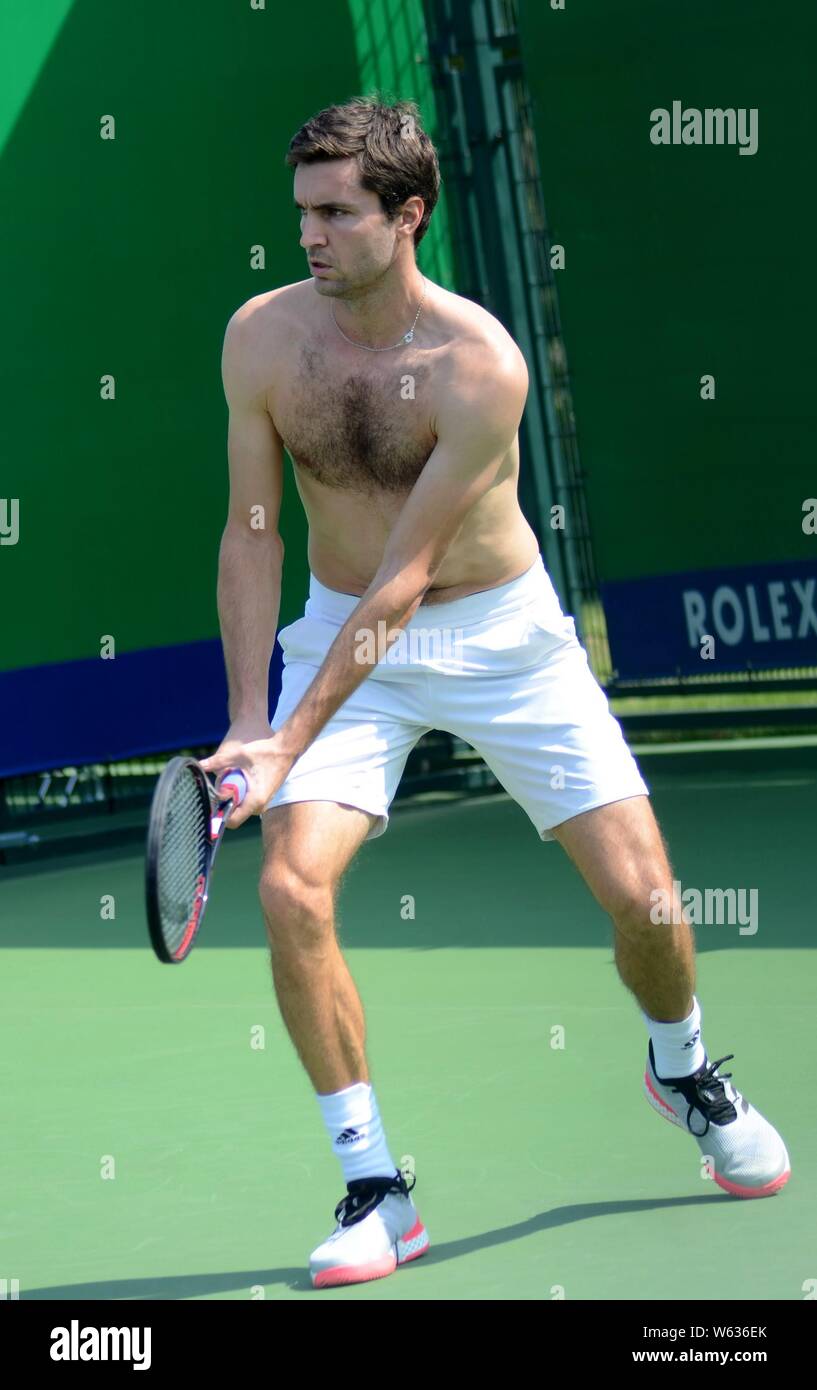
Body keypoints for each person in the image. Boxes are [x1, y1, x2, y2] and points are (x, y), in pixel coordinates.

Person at [200, 96, 790, 1289]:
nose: (306, 235)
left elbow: (407, 583)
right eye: (299, 210)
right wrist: (250, 723)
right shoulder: (261, 340)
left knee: (647, 901)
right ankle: (375, 1187)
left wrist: (285, 741)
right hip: (334, 637)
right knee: (290, 890)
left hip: (501, 637)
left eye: (334, 212)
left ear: (406, 214)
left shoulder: (478, 365)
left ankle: (679, 1066)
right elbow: (253, 530)